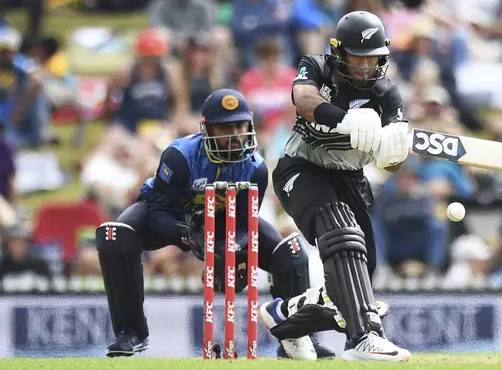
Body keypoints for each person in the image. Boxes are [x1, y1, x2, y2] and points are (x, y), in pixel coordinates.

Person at [95, 89, 333, 359]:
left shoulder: (255, 168)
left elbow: (246, 223)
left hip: (224, 221)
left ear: (250, 125)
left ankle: (297, 338)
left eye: (239, 126)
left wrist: (233, 246)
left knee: (291, 254)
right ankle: (131, 333)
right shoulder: (180, 157)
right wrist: (188, 235)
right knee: (115, 235)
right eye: (224, 128)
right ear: (207, 129)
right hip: (173, 218)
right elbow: (156, 212)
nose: (234, 135)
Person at [262, 11, 412, 362]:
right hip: (300, 170)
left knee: (355, 278)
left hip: (350, 180)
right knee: (341, 232)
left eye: (372, 59)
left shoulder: (387, 95)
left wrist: (394, 148)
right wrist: (344, 119)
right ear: (339, 54)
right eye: (357, 59)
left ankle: (286, 316)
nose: (364, 67)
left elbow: (394, 162)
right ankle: (365, 338)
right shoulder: (315, 67)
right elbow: (304, 101)